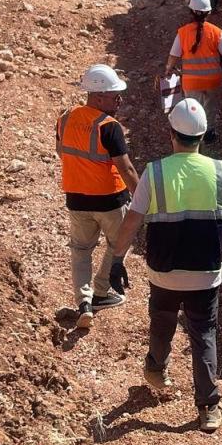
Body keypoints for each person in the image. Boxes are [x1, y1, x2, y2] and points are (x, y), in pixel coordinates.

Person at [109, 98, 222, 432]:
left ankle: (155, 368)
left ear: (171, 133)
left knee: (162, 321)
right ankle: (209, 408)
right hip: (205, 274)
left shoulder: (154, 172)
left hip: (163, 273)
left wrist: (116, 258)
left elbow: (132, 222)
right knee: (204, 334)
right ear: (202, 135)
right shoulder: (219, 171)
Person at [56, 64, 140, 330]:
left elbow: (63, 152)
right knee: (118, 243)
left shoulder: (66, 118)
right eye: (115, 95)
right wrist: (142, 197)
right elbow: (126, 168)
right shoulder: (109, 126)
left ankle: (84, 302)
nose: (119, 99)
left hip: (77, 199)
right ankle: (101, 292)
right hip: (110, 200)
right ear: (98, 96)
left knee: (80, 250)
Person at [163, 0, 222, 143]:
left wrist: (168, 69)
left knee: (193, 110)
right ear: (209, 12)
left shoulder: (182, 33)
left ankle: (193, 136)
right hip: (213, 80)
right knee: (210, 108)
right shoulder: (216, 32)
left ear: (191, 12)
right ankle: (209, 133)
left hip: (192, 82)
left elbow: (174, 55)